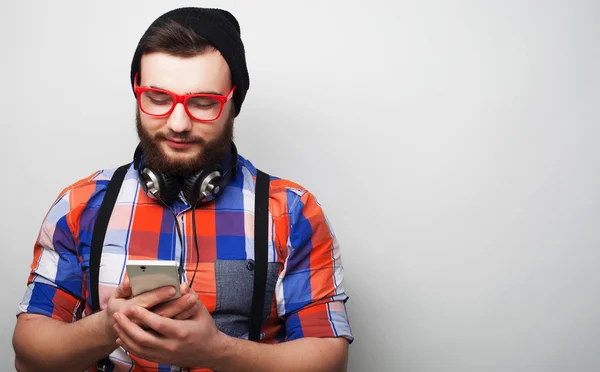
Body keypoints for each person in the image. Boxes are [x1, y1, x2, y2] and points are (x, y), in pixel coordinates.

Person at [11, 6, 353, 372]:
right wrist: (108, 326)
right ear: (136, 93)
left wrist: (216, 351)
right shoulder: (80, 206)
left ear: (233, 104)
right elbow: (29, 355)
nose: (177, 123)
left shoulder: (291, 212)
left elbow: (328, 361)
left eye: (203, 103)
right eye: (157, 99)